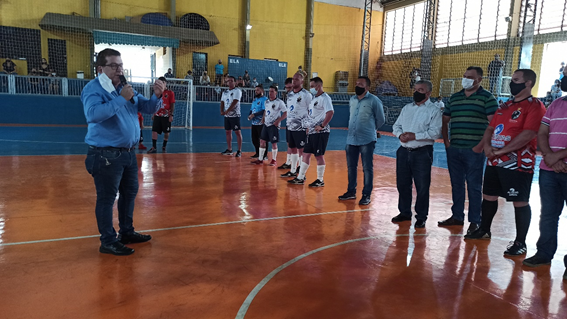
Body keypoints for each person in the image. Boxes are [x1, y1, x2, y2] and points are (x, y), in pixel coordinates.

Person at [82, 48, 165, 255]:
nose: (119, 69)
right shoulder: (94, 89)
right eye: (114, 66)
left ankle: (126, 232)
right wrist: (121, 99)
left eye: (120, 65)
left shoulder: (125, 87)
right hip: (105, 155)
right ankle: (108, 241)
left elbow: (147, 108)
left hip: (128, 154)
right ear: (100, 68)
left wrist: (156, 96)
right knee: (107, 198)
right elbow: (93, 114)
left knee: (129, 194)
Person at [465, 69, 546, 257]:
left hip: (518, 163)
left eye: (516, 80)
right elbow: (491, 128)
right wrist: (487, 147)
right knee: (489, 196)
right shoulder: (505, 105)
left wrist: (501, 151)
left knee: (519, 201)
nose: (512, 83)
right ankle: (484, 229)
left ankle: (520, 242)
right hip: (494, 161)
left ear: (528, 83)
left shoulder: (535, 106)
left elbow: (529, 134)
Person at [438, 66, 498, 235]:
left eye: (470, 77)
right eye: (464, 76)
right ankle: (457, 216)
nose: (466, 79)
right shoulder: (455, 98)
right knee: (456, 184)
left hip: (474, 151)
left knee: (474, 186)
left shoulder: (487, 98)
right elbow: (445, 121)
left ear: (479, 79)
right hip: (454, 148)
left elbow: (494, 124)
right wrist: (447, 142)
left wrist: (481, 146)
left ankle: (475, 221)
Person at [523, 70, 567, 272]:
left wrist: (557, 156)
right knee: (548, 214)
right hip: (549, 169)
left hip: (555, 163)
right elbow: (543, 132)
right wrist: (549, 155)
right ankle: (544, 253)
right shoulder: (556, 104)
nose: (563, 78)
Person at [390, 80, 442, 228]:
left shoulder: (434, 110)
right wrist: (400, 135)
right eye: (416, 89)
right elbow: (396, 125)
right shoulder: (407, 108)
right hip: (403, 151)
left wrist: (415, 136)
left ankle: (421, 216)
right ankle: (405, 212)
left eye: (421, 90)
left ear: (428, 93)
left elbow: (435, 132)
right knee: (402, 184)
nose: (417, 92)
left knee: (422, 186)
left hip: (422, 152)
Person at [338, 76, 385, 205]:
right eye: (357, 83)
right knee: (351, 167)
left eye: (361, 84)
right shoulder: (352, 100)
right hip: (351, 138)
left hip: (367, 139)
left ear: (367, 87)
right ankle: (351, 192)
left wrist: (370, 129)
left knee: (367, 168)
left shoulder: (374, 100)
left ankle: (366, 195)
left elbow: (381, 119)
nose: (358, 85)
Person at [288, 77, 334, 187]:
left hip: (321, 133)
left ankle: (320, 180)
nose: (311, 88)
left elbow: (330, 112)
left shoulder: (325, 98)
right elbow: (312, 115)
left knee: (319, 156)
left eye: (312, 86)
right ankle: (300, 177)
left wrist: (322, 126)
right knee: (305, 154)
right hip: (312, 132)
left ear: (318, 86)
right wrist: (308, 126)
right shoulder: (313, 99)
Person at [280, 72, 312, 178]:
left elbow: (310, 111)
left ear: (302, 81)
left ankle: (302, 174)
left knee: (301, 150)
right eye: (293, 79)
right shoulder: (290, 94)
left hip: (301, 127)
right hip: (290, 126)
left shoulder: (306, 95)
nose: (294, 81)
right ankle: (293, 170)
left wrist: (308, 126)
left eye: (297, 79)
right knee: (292, 148)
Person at [251, 85, 287, 166]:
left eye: (272, 91)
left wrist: (278, 121)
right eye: (269, 91)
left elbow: (285, 113)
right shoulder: (267, 102)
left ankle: (274, 160)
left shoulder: (279, 102)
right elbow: (265, 111)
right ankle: (260, 159)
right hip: (266, 125)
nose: (270, 93)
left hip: (273, 125)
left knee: (273, 143)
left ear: (276, 92)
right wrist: (263, 118)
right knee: (262, 141)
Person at [148, 77, 176, 153]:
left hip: (166, 115)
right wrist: (154, 113)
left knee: (166, 132)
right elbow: (155, 104)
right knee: (154, 130)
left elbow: (172, 104)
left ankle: (164, 146)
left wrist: (171, 115)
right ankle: (154, 147)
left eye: (161, 83)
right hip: (157, 114)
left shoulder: (170, 93)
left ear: (165, 83)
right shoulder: (157, 93)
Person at [220, 76, 243, 157]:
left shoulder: (237, 91)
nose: (230, 82)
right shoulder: (225, 92)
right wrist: (222, 111)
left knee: (237, 132)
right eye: (228, 81)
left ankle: (239, 150)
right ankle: (229, 149)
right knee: (227, 131)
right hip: (227, 116)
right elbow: (222, 101)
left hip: (235, 115)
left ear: (235, 82)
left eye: (232, 81)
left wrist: (227, 110)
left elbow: (235, 101)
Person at [278, 77, 294, 170]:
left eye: (289, 88)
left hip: (298, 125)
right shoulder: (289, 96)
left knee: (297, 147)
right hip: (289, 123)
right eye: (286, 88)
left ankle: (298, 165)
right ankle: (288, 162)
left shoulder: (301, 95)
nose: (288, 90)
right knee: (289, 143)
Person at [248, 85, 267, 158]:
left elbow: (263, 110)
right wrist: (250, 115)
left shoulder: (264, 99)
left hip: (261, 122)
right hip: (254, 123)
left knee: (262, 139)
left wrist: (254, 115)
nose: (256, 91)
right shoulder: (254, 100)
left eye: (258, 90)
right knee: (254, 139)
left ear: (262, 91)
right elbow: (251, 109)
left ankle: (264, 155)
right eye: (255, 90)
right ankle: (258, 153)